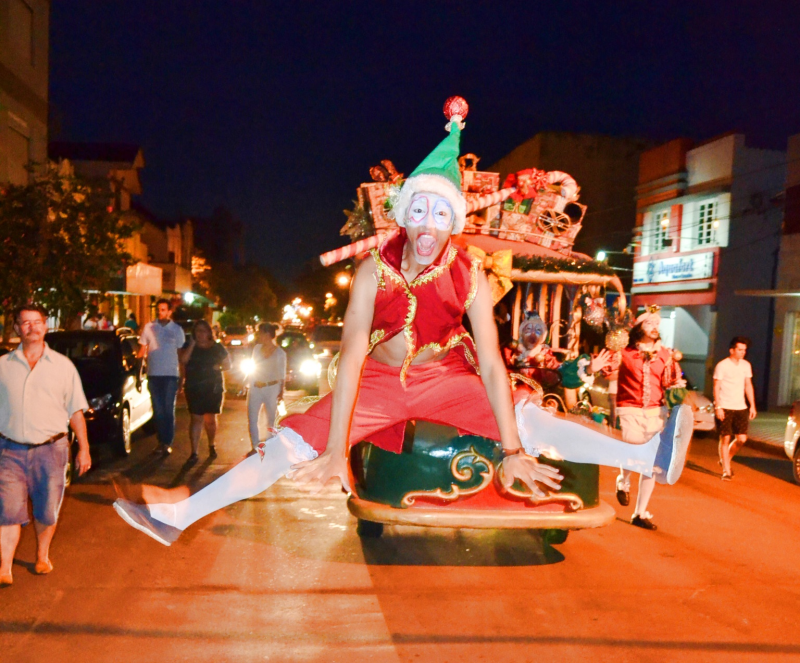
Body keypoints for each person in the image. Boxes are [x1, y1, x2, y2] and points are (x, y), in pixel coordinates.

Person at [112, 99, 692, 546]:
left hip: (447, 379)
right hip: (377, 387)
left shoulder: (468, 273)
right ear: (404, 213)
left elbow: (491, 363)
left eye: (442, 213)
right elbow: (352, 360)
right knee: (291, 445)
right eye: (420, 208)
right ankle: (178, 515)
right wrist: (336, 446)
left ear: (452, 222)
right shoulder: (371, 271)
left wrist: (513, 447)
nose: (429, 222)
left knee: (526, 414)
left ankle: (648, 458)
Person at [0, 304, 91, 586]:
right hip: (9, 450)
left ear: (45, 326)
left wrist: (84, 449)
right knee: (7, 510)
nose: (31, 327)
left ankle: (42, 555)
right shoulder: (2, 366)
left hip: (52, 450)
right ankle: (4, 567)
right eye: (24, 323)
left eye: (36, 322)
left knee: (47, 509)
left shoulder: (64, 367)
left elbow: (76, 411)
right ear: (16, 328)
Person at [612, 307, 687, 530]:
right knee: (632, 453)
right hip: (629, 410)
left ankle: (640, 513)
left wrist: (677, 392)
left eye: (657, 324)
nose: (654, 327)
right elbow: (607, 370)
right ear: (639, 328)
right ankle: (623, 481)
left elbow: (672, 382)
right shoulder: (625, 352)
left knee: (651, 465)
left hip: (656, 412)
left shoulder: (665, 354)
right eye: (649, 324)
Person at [139, 299, 186, 456]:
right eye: (158, 309)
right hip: (154, 375)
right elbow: (142, 350)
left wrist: (182, 377)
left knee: (168, 410)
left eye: (164, 309)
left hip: (170, 375)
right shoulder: (149, 327)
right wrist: (138, 368)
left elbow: (180, 355)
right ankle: (161, 441)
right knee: (158, 411)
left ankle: (167, 442)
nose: (160, 312)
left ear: (169, 311)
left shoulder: (176, 330)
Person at [181, 320, 231, 463]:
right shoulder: (191, 347)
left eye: (203, 331)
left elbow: (228, 364)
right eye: (198, 331)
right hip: (194, 386)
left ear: (209, 333)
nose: (201, 334)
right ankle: (194, 452)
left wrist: (218, 367)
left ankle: (211, 444)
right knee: (196, 418)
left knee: (210, 419)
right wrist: (191, 344)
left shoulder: (217, 348)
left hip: (212, 387)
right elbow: (183, 360)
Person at [714, 336, 756, 481]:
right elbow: (716, 386)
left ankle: (726, 459)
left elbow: (748, 385)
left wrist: (752, 405)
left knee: (742, 439)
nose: (742, 352)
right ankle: (726, 470)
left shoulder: (746, 365)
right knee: (725, 438)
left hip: (740, 407)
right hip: (725, 406)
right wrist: (718, 406)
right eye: (739, 350)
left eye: (744, 350)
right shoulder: (722, 365)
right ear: (732, 350)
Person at [246, 323, 286, 452]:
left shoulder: (280, 353)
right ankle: (255, 446)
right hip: (256, 386)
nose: (259, 336)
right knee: (252, 417)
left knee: (271, 418)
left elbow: (282, 374)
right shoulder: (256, 349)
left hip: (272, 387)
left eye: (261, 333)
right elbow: (253, 366)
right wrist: (248, 383)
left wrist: (281, 392)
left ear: (268, 335)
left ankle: (270, 444)